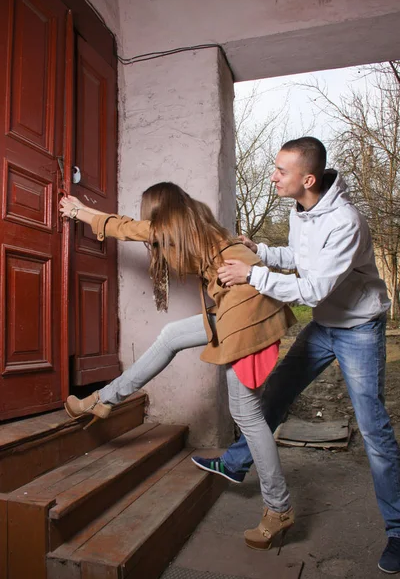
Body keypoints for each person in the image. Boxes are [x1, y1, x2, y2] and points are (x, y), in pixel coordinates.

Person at [196, 136, 400, 574]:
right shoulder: (303, 210)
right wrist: (260, 251)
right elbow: (299, 257)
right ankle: (235, 463)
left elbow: (312, 288)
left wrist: (252, 273)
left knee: (374, 431)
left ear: (307, 178)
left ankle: (398, 531)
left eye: (280, 171)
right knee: (275, 396)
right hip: (325, 325)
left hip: (359, 328)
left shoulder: (345, 221)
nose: (273, 176)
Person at [59, 182, 297, 550]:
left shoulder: (172, 227)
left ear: (158, 209)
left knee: (247, 415)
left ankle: (278, 508)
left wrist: (78, 211)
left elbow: (122, 226)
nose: (146, 218)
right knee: (172, 335)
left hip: (245, 309)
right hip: (243, 303)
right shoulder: (195, 217)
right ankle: (104, 399)